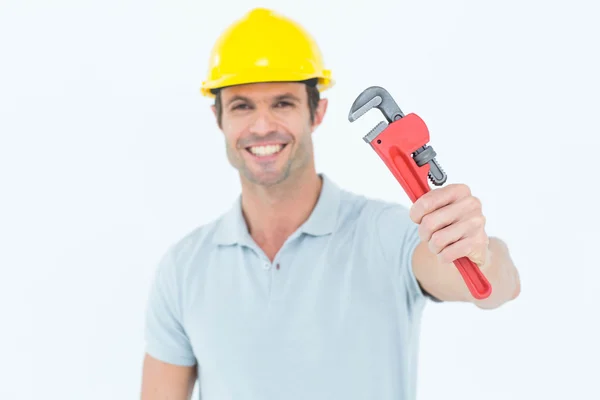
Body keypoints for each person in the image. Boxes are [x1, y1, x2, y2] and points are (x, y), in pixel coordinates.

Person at [140, 7, 521, 400]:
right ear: (218, 117)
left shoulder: (387, 234)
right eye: (242, 106)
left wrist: (482, 255)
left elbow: (496, 287)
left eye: (283, 103)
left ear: (317, 111)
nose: (262, 125)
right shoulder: (183, 270)